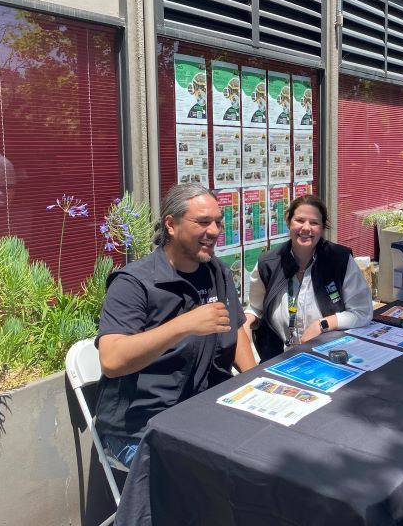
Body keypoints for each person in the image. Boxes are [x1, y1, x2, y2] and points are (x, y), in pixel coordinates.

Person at [94, 184, 255, 467]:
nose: (215, 231)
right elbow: (112, 359)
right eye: (203, 222)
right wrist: (183, 326)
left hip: (204, 412)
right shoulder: (134, 283)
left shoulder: (217, 272)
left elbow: (237, 328)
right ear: (171, 224)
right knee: (209, 480)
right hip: (140, 429)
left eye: (218, 222)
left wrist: (255, 382)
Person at [245, 195, 373, 362]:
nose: (306, 228)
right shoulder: (268, 263)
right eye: (299, 220)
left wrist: (323, 324)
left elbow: (362, 312)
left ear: (322, 227)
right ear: (288, 221)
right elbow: (255, 309)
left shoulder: (339, 260)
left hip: (329, 357)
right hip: (279, 359)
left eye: (314, 223)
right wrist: (245, 324)